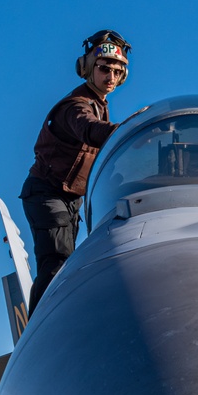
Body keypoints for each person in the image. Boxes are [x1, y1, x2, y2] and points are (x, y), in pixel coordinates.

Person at [19, 30, 130, 316]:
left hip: (70, 200)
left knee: (67, 265)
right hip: (47, 193)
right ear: (88, 69)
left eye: (118, 72)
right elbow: (90, 130)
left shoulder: (100, 107)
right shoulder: (75, 106)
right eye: (105, 69)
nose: (112, 77)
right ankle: (39, 334)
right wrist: (131, 129)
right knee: (57, 263)